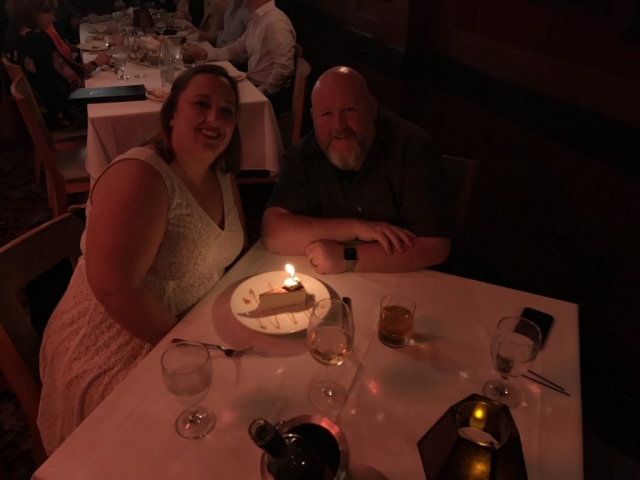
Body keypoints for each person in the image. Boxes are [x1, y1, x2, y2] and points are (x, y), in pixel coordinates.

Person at [37, 64, 247, 454]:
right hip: (117, 340)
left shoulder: (220, 172)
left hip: (194, 325)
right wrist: (191, 348)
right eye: (201, 104)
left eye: (226, 111)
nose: (214, 119)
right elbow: (114, 290)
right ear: (171, 115)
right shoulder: (141, 175)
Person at [261, 66, 453, 274]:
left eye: (349, 110)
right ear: (314, 117)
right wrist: (354, 228)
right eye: (326, 114)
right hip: (334, 280)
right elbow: (273, 234)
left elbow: (435, 246)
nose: (339, 125)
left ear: (372, 108)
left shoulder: (414, 148)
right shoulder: (304, 156)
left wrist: (347, 258)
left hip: (410, 280)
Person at [4, 0, 110, 129]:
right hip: (65, 116)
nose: (53, 18)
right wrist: (96, 63)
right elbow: (74, 81)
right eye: (49, 12)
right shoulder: (38, 40)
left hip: (46, 112)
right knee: (114, 94)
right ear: (32, 12)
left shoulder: (12, 37)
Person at [184, 0, 295, 114]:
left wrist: (262, 91)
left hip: (271, 96)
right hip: (253, 83)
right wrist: (206, 54)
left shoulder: (276, 21)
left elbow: (284, 68)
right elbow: (236, 50)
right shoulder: (257, 18)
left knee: (211, 103)